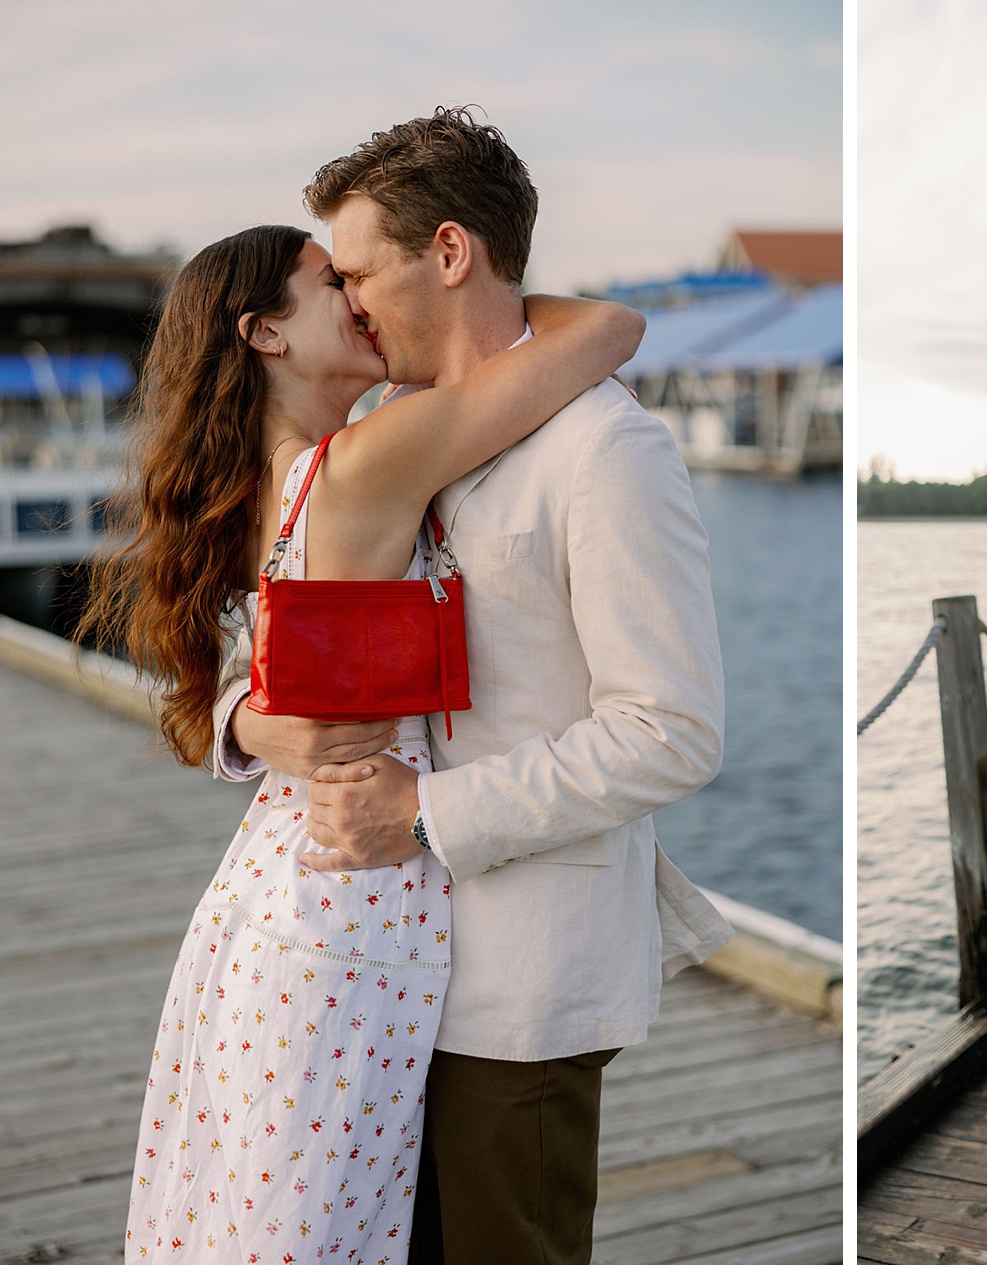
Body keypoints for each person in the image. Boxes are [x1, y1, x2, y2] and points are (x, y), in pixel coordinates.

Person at [207, 109, 732, 1264]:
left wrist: (424, 813)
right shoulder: (382, 438)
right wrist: (252, 724)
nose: (346, 304)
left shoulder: (606, 452)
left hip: (520, 983)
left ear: (448, 253)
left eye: (356, 274)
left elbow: (672, 729)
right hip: (371, 979)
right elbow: (254, 647)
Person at [79, 222, 645, 1259]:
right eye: (326, 281)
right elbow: (609, 327)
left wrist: (249, 721)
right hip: (348, 911)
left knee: (277, 1217)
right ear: (264, 335)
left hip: (269, 894)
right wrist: (480, 285)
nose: (352, 293)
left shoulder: (243, 487)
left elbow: (214, 689)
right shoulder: (360, 464)